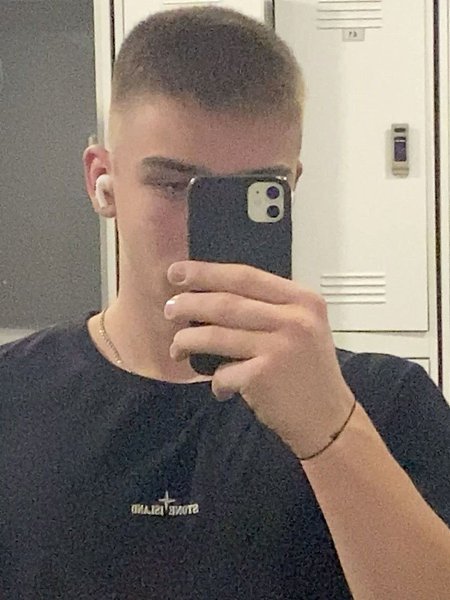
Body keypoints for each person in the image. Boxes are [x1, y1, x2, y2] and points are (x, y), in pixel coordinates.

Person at [1, 6, 449, 599]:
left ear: (291, 186)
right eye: (171, 184)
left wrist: (332, 431)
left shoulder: (386, 402)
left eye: (253, 192)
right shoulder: (13, 395)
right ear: (100, 181)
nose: (198, 226)